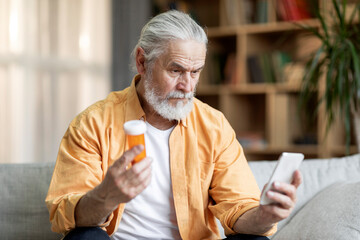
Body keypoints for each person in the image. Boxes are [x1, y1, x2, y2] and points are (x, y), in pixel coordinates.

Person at [45, 10, 302, 240]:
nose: (187, 86)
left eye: (195, 72)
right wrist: (107, 195)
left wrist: (265, 216)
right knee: (83, 238)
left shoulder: (214, 126)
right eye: (176, 71)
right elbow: (62, 216)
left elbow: (238, 210)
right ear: (142, 62)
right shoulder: (92, 124)